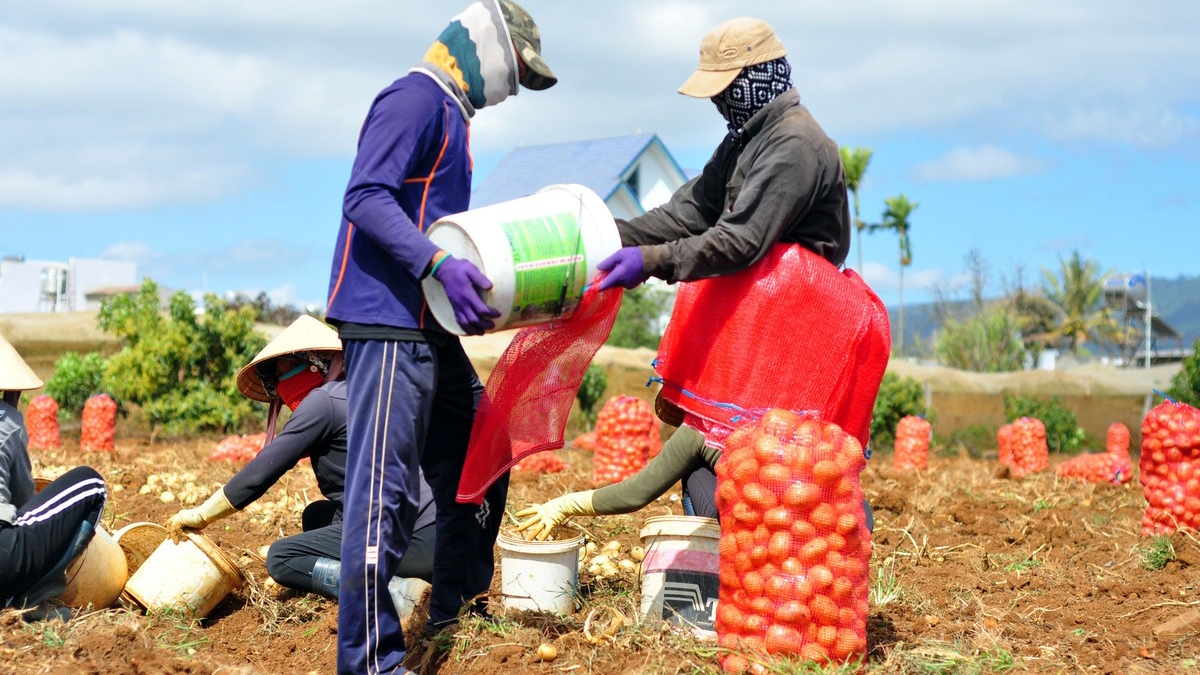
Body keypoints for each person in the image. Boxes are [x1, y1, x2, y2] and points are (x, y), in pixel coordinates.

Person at [322, 2, 556, 672]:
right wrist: (436, 263)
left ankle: (454, 601)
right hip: (389, 321)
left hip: (427, 324)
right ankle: (370, 661)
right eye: (515, 72)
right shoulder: (414, 98)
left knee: (484, 441)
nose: (510, 89)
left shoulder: (453, 113)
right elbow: (366, 197)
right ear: (484, 45)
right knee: (384, 494)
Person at [164, 316, 437, 620]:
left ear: (313, 365)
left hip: (410, 539)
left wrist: (202, 514)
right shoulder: (360, 391)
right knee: (316, 515)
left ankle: (396, 592)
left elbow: (263, 471)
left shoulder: (323, 401)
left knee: (283, 559)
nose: (281, 385)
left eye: (283, 372)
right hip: (432, 529)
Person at [514, 426, 875, 540]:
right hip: (839, 535)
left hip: (769, 539)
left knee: (697, 472)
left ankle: (714, 571)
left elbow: (636, 493)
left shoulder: (706, 425)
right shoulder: (806, 407)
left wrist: (562, 505)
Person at [0, 334, 108, 622]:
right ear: (12, 391)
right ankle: (32, 601)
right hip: (3, 558)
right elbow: (23, 499)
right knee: (91, 483)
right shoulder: (6, 419)